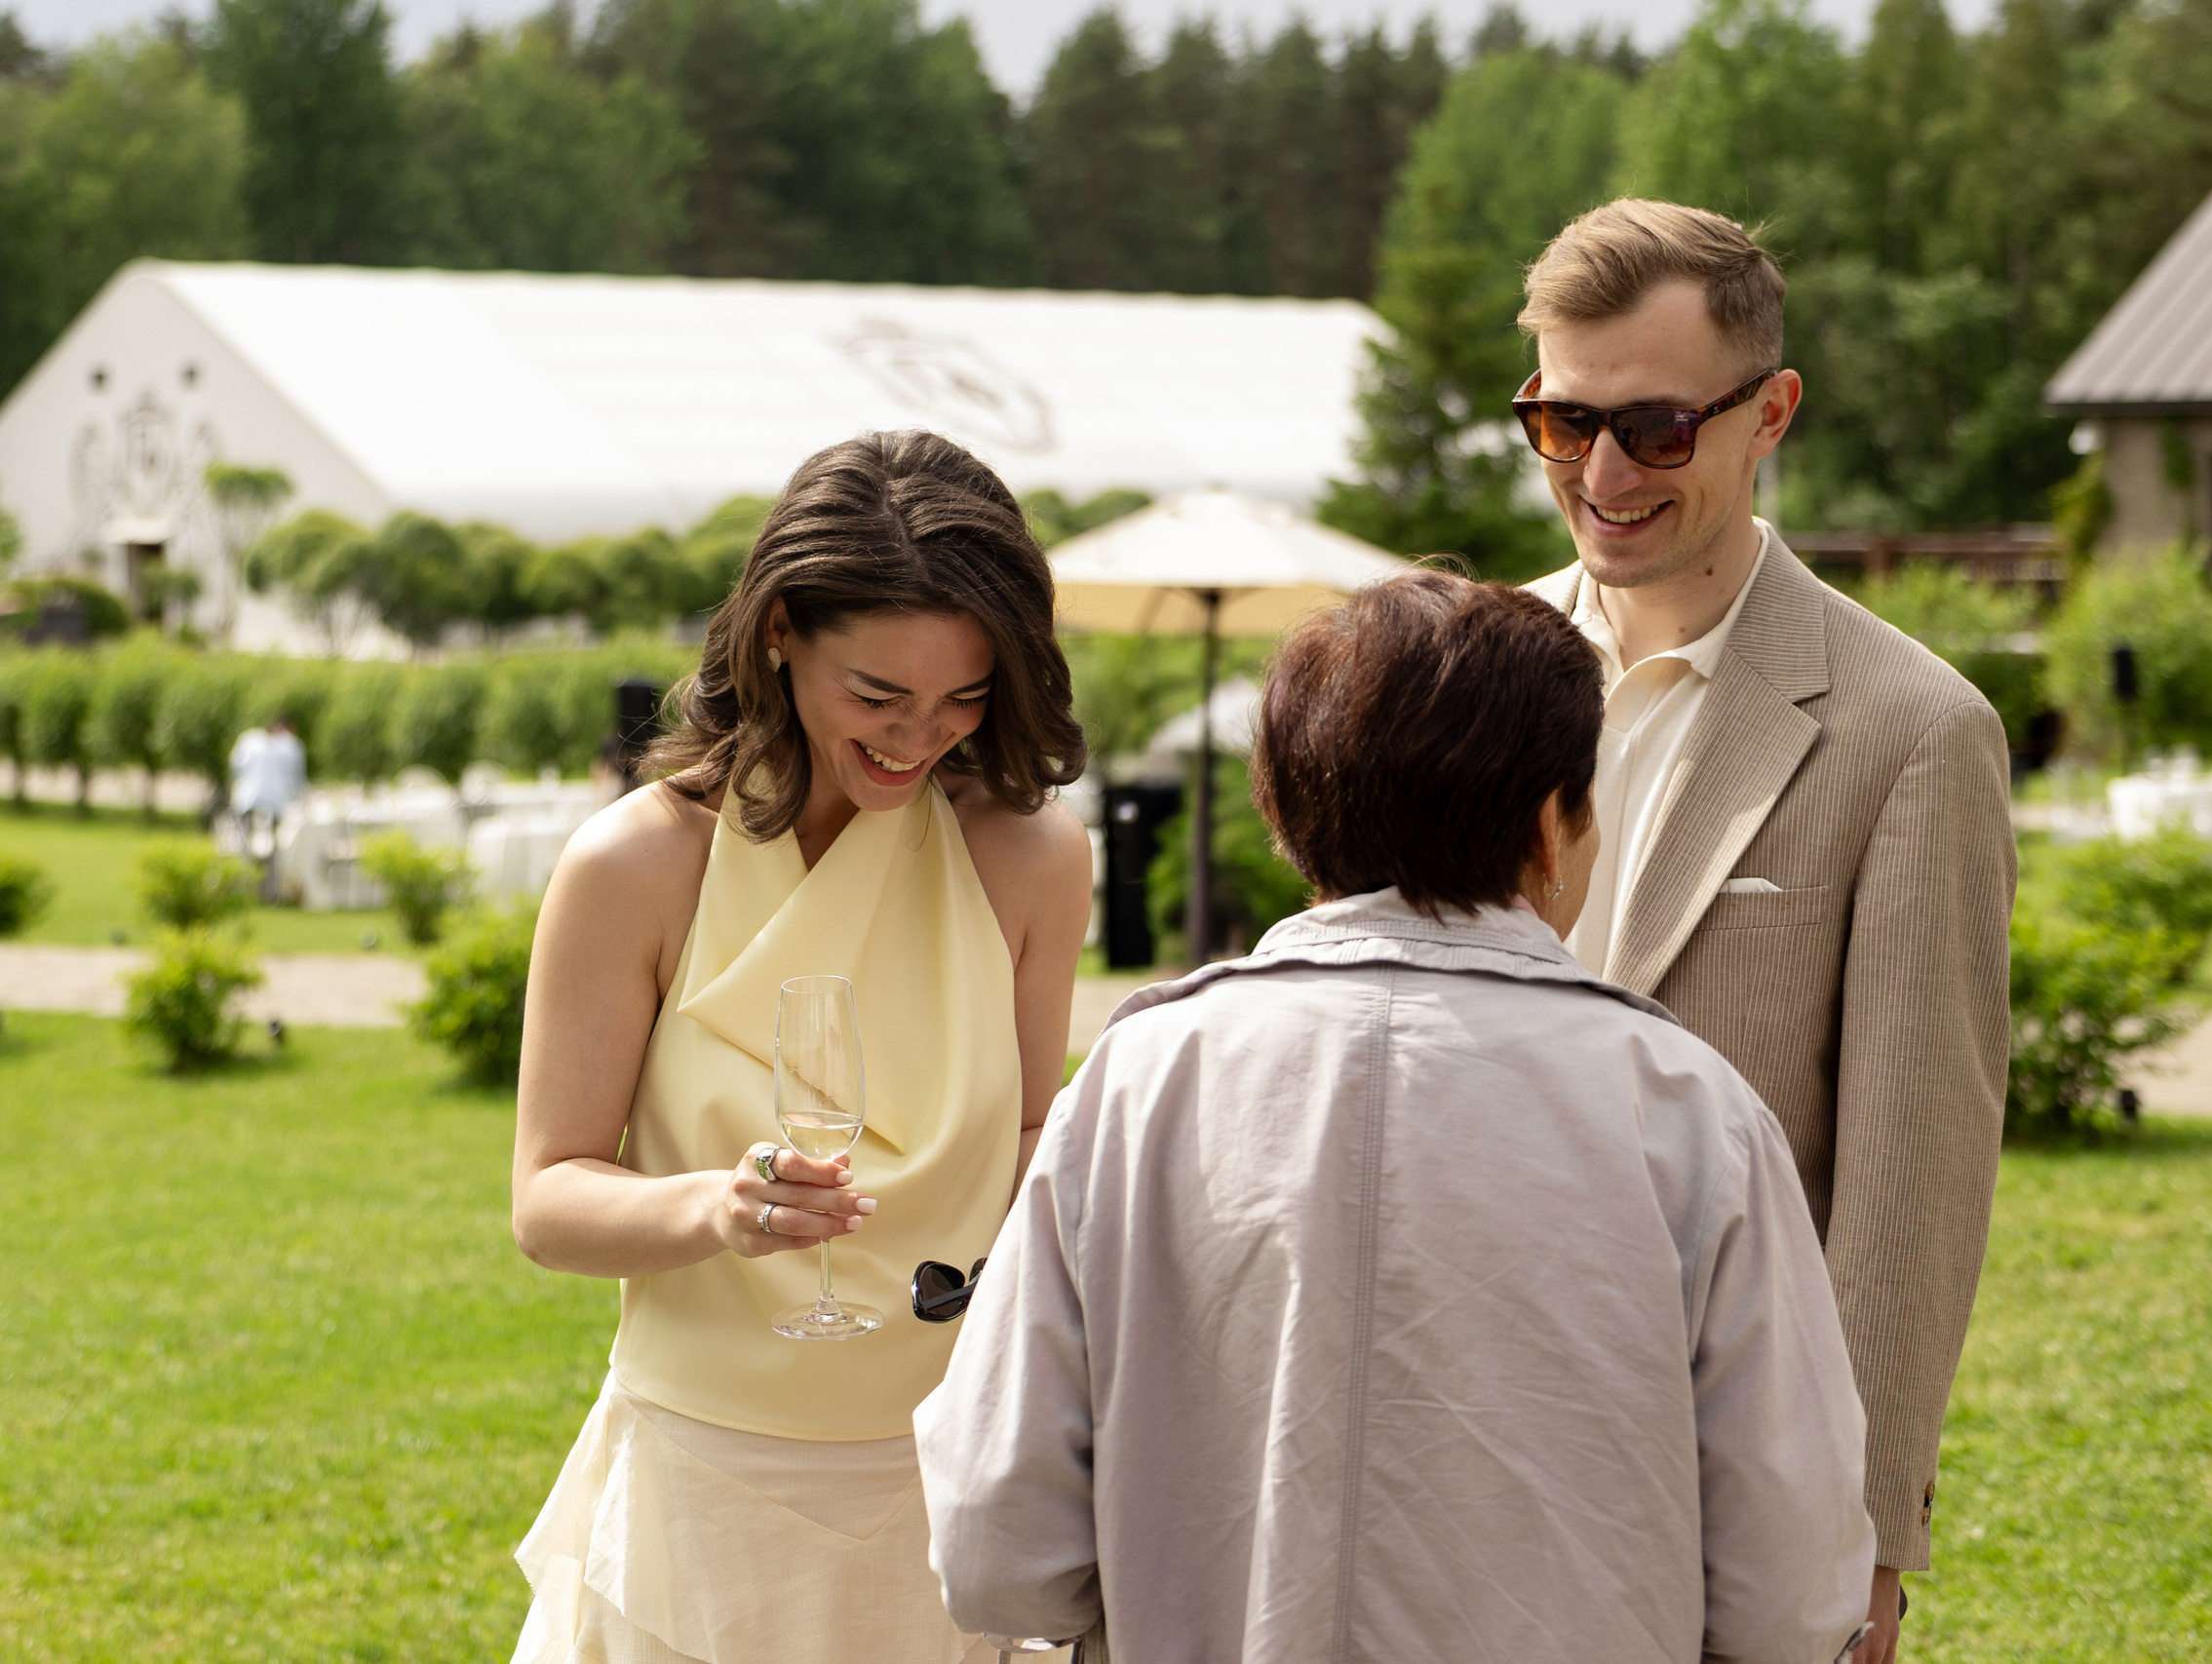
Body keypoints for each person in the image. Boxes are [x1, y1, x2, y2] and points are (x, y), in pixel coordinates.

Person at [916, 572, 1877, 1664]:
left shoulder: (1140, 1079)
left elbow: (996, 1544)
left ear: (1284, 815)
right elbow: (1790, 1589)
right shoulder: (1688, 1107)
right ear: (1549, 826)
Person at [1511, 199, 2018, 1662]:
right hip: (1455, 1423)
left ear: (1769, 412)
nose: (1602, 473)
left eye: (1657, 427)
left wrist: (1862, 1533)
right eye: (1561, 422)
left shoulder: (1915, 731)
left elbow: (1914, 1181)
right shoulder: (1474, 675)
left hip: (1723, 1459)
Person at [505, 431, 1095, 1664]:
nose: (917, 736)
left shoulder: (1033, 858)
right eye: (876, 695)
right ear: (778, 631)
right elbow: (550, 1199)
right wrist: (719, 1211)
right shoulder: (635, 863)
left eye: (964, 697)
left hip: (944, 1478)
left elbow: (1034, 1135)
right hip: (701, 1486)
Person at [228, 716, 306, 900]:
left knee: (245, 846)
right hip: (274, 800)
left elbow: (236, 765)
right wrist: (299, 798)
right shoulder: (289, 745)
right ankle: (269, 892)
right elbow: (296, 777)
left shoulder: (249, 740)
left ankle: (246, 888)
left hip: (247, 798)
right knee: (271, 848)